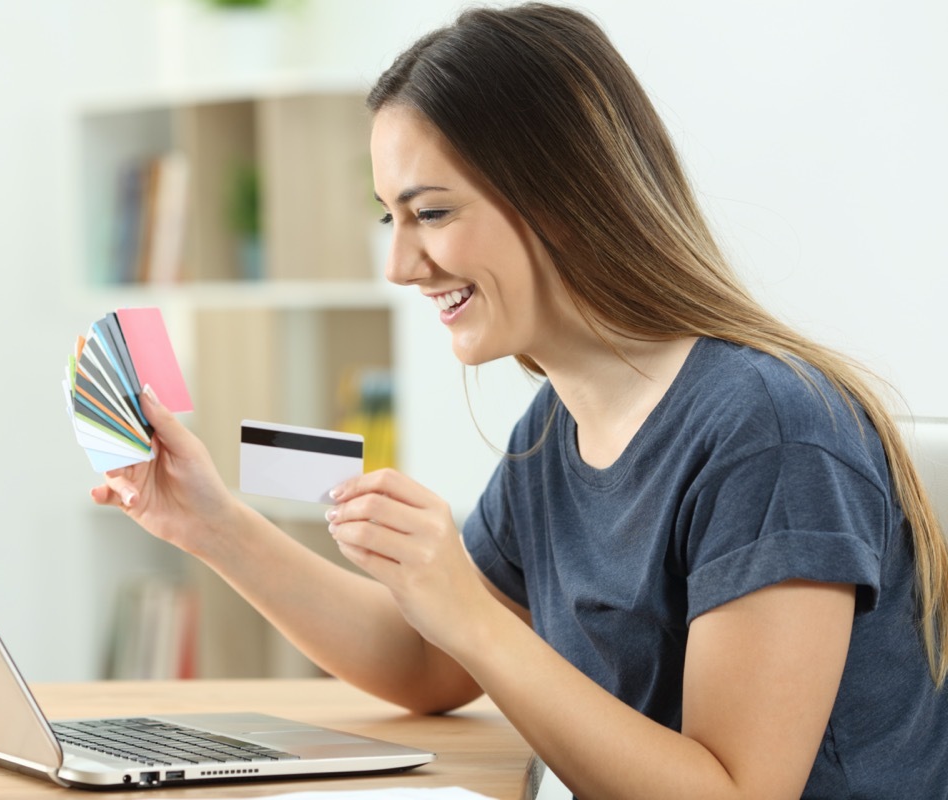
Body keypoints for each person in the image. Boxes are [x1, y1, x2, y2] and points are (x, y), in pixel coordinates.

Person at [91, 4, 948, 797]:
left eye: (429, 211)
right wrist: (211, 525)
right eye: (391, 217)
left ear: (562, 198)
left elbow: (732, 792)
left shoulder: (772, 432)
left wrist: (472, 613)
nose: (400, 265)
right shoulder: (556, 430)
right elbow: (430, 661)